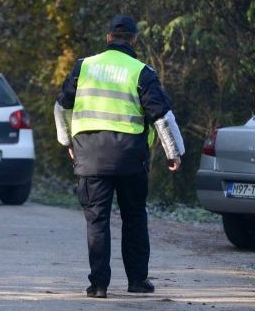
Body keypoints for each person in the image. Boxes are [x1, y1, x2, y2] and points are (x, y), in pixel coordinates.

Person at [53, 15, 184, 298]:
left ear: (108, 38)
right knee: (134, 218)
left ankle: (98, 285)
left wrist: (67, 141)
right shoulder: (142, 72)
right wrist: (174, 153)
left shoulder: (83, 67)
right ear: (134, 40)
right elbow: (161, 115)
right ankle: (137, 281)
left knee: (97, 220)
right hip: (130, 157)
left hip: (90, 156)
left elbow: (61, 106)